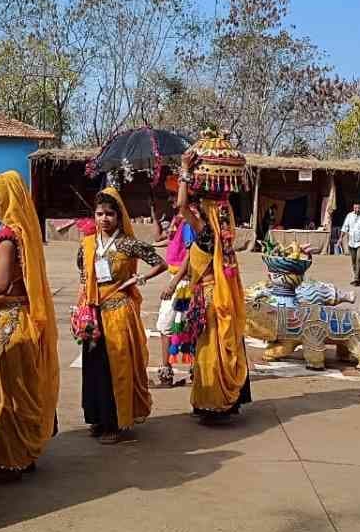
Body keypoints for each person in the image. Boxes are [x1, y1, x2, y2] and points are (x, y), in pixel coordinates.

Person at [0, 171, 59, 483]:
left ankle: (13, 460)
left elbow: (1, 282)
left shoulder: (7, 236)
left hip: (10, 319)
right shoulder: (21, 231)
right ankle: (22, 454)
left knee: (8, 392)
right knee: (19, 389)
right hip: (18, 316)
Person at [78, 188, 168, 443]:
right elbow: (83, 276)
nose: (104, 219)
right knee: (94, 367)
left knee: (116, 368)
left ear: (118, 217)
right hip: (93, 312)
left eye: (109, 214)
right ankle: (97, 418)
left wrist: (137, 278)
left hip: (119, 312)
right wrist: (83, 307)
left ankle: (114, 423)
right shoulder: (87, 244)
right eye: (99, 214)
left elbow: (160, 263)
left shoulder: (128, 243)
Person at [178, 141, 253, 423]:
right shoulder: (221, 227)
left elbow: (181, 204)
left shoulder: (203, 229)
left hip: (209, 297)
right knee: (218, 348)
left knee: (209, 351)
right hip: (220, 294)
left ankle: (214, 402)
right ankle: (219, 402)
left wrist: (185, 170)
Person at [154, 192, 197, 387]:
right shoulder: (178, 219)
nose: (172, 201)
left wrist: (172, 284)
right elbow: (161, 238)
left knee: (171, 325)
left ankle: (168, 372)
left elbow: (189, 256)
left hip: (183, 282)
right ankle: (172, 371)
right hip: (178, 278)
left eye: (175, 197)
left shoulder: (190, 221)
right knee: (178, 325)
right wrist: (154, 215)